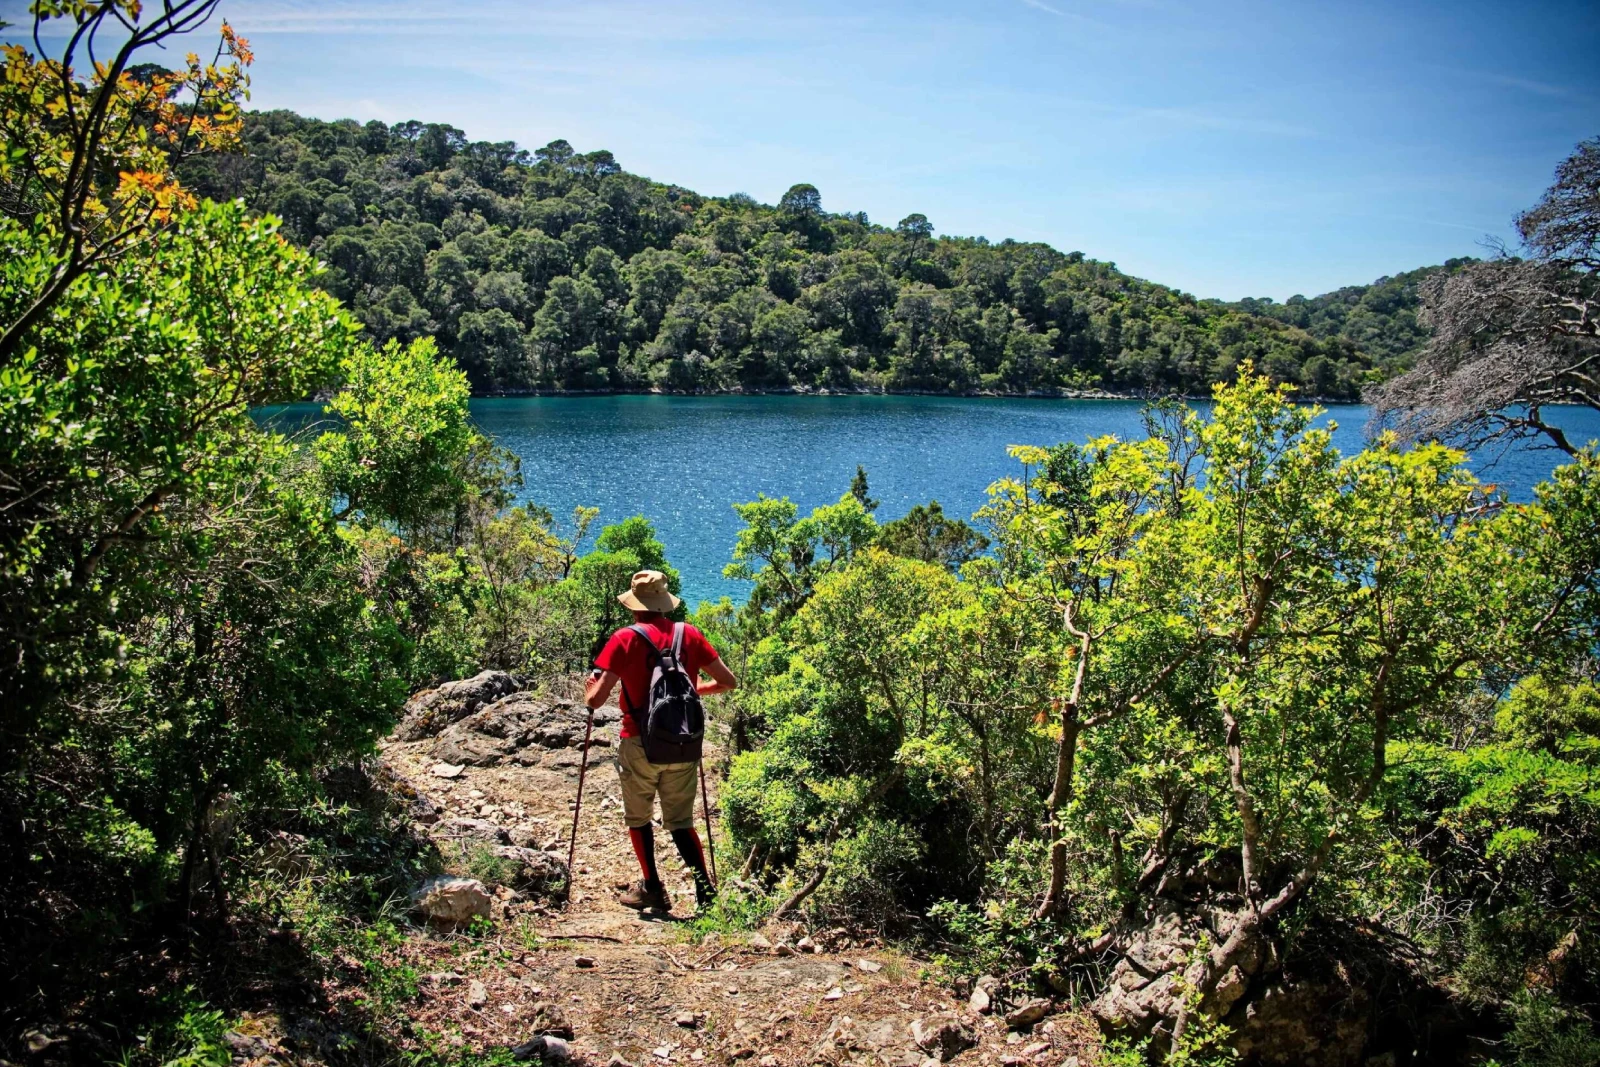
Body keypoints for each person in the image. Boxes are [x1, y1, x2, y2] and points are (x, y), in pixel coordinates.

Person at [585, 569, 738, 913]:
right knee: (681, 821)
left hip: (639, 741)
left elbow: (596, 700)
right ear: (664, 603)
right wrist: (696, 689)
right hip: (683, 742)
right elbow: (728, 681)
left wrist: (588, 689)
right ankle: (706, 895)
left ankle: (652, 886)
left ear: (635, 604)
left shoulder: (624, 638)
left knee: (639, 818)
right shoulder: (690, 635)